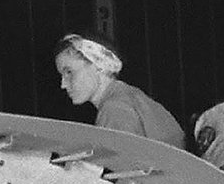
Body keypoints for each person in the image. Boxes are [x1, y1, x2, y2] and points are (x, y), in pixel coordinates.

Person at [53, 32, 183, 148]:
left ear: (98, 65)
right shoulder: (131, 95)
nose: (63, 84)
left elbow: (124, 169)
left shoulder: (114, 109)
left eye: (69, 72)